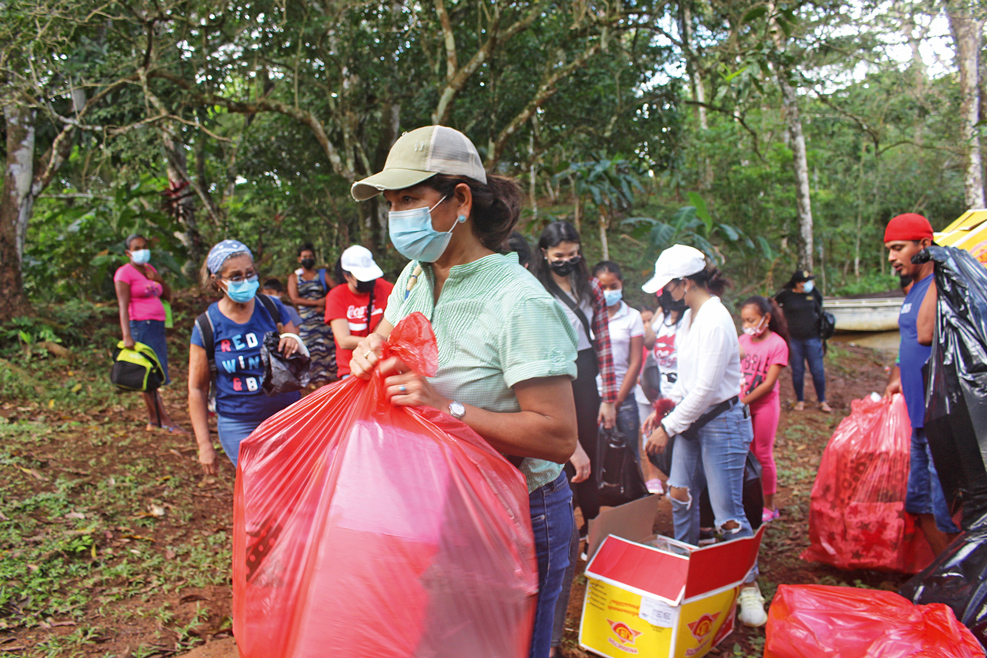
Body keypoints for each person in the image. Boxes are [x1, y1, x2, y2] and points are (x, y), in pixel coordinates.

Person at [347, 125, 579, 658]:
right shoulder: (413, 276)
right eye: (391, 203)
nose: (397, 214)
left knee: (515, 646)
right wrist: (370, 348)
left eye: (410, 199)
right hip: (440, 505)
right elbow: (387, 333)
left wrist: (445, 407)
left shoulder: (518, 301)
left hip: (521, 510)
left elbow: (558, 436)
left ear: (461, 199)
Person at [641, 244, 766, 627]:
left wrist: (669, 426)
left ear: (684, 283)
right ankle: (687, 563)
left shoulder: (714, 318)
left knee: (728, 510)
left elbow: (708, 388)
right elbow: (687, 382)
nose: (665, 294)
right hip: (692, 421)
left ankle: (747, 584)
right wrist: (664, 409)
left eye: (668, 286)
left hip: (721, 423)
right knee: (679, 493)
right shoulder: (690, 317)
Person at [188, 240, 303, 474]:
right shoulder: (207, 325)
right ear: (217, 280)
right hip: (239, 425)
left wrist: (292, 339)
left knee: (294, 483)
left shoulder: (272, 307)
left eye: (250, 274)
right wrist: (204, 445)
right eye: (236, 276)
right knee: (260, 488)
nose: (245, 281)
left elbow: (296, 341)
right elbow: (196, 389)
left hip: (288, 417)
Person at [531, 220, 617, 531]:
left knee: (589, 449)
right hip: (551, 374)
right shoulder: (535, 289)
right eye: (559, 255)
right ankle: (563, 524)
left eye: (573, 254)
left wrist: (609, 397)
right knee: (559, 450)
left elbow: (604, 344)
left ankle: (592, 524)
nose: (567, 261)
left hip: (585, 373)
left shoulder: (591, 287)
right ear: (544, 253)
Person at [883, 213, 960, 555]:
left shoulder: (938, 287)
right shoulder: (914, 289)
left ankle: (967, 586)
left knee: (949, 514)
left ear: (925, 245)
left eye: (898, 248)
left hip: (943, 423)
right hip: (918, 420)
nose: (891, 258)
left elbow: (927, 334)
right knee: (920, 505)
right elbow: (909, 341)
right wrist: (898, 376)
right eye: (889, 249)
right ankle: (948, 575)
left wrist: (941, 269)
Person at [113, 233, 186, 434]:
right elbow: (122, 306)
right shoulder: (123, 274)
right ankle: (163, 420)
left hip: (156, 326)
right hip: (140, 326)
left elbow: (168, 295)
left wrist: (159, 279)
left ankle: (154, 421)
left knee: (156, 371)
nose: (142, 251)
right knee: (148, 373)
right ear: (128, 253)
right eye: (137, 248)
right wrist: (127, 335)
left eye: (144, 246)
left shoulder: (149, 270)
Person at [738, 296, 790, 523]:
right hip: (742, 406)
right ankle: (749, 499)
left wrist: (744, 402)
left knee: (763, 453)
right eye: (745, 321)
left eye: (752, 320)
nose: (748, 326)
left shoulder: (777, 344)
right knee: (745, 453)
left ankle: (769, 505)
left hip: (764, 406)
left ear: (766, 318)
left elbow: (769, 384)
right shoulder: (742, 341)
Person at [592, 261, 644, 462]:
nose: (608, 292)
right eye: (603, 287)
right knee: (599, 458)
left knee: (630, 457)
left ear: (621, 284)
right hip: (594, 396)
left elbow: (635, 362)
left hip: (625, 398)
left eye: (613, 286)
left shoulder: (633, 316)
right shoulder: (589, 316)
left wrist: (616, 402)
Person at [324, 246, 393, 379]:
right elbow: (343, 340)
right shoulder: (337, 295)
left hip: (383, 364)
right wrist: (380, 342)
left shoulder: (385, 287)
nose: (369, 282)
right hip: (352, 368)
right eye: (362, 278)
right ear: (347, 276)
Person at [775, 270, 832, 413]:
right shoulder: (786, 295)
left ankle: (822, 401)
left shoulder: (813, 294)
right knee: (798, 371)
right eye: (807, 281)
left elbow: (820, 309)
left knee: (817, 371)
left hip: (813, 338)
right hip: (794, 339)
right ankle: (800, 400)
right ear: (798, 283)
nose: (810, 284)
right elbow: (773, 307)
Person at [287, 243, 337, 386]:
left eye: (310, 256)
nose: (308, 259)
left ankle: (329, 384)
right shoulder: (294, 278)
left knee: (327, 351)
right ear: (299, 259)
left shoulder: (322, 274)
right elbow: (294, 299)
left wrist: (325, 303)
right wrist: (318, 303)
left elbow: (337, 291)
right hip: (306, 323)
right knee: (309, 352)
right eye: (305, 257)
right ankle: (312, 385)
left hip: (325, 322)